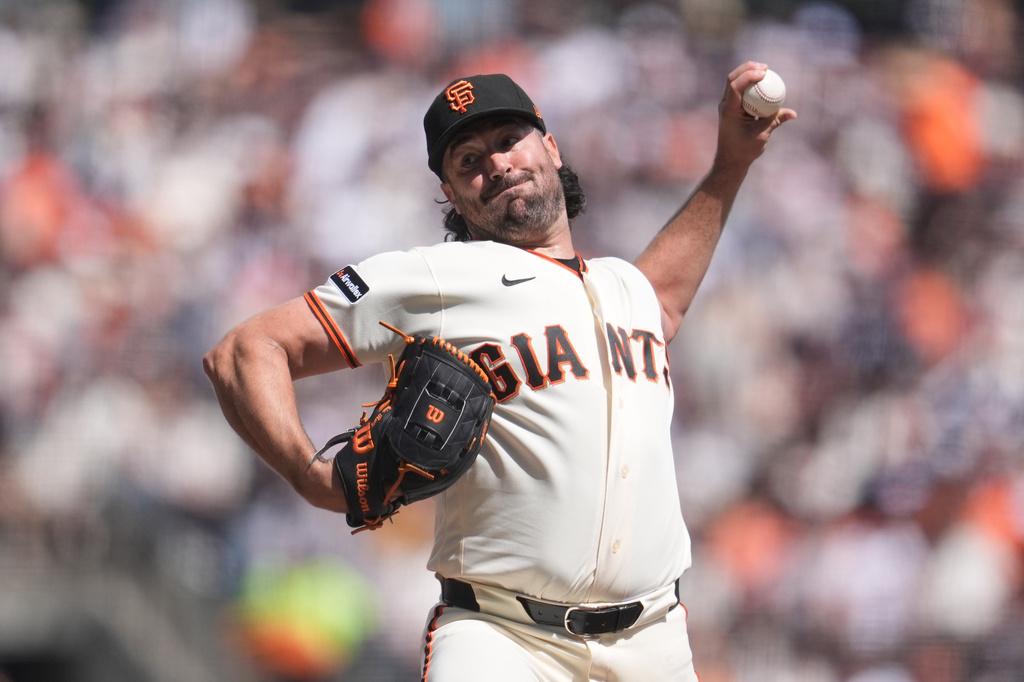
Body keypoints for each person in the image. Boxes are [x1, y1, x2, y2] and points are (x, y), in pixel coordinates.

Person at [204, 63, 796, 681]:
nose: (497, 163)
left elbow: (663, 299)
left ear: (551, 148)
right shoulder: (437, 277)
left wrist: (732, 163)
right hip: (502, 640)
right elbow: (246, 351)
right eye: (468, 161)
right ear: (453, 197)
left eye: (510, 138)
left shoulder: (625, 286)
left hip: (654, 641)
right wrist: (310, 475)